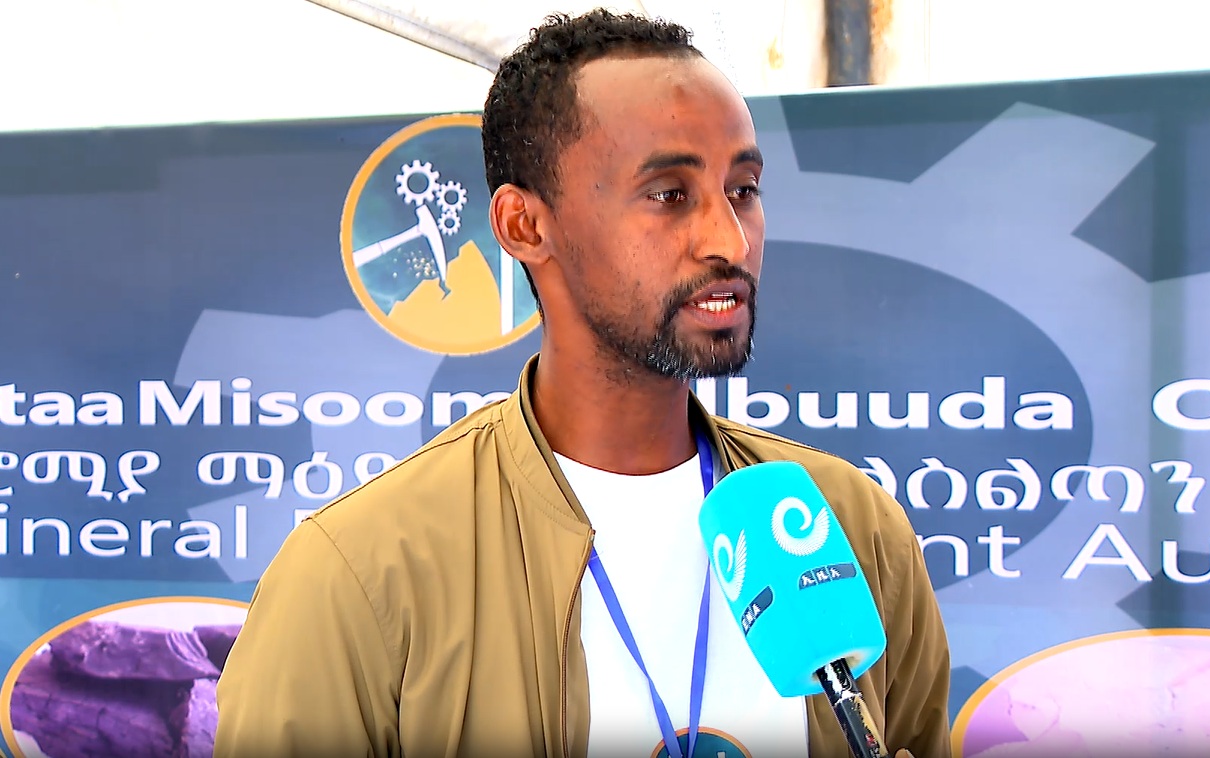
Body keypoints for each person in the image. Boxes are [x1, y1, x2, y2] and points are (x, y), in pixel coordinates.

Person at [214, 9, 951, 758]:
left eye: (743, 189)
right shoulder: (358, 574)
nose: (729, 240)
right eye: (669, 194)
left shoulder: (851, 527)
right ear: (525, 226)